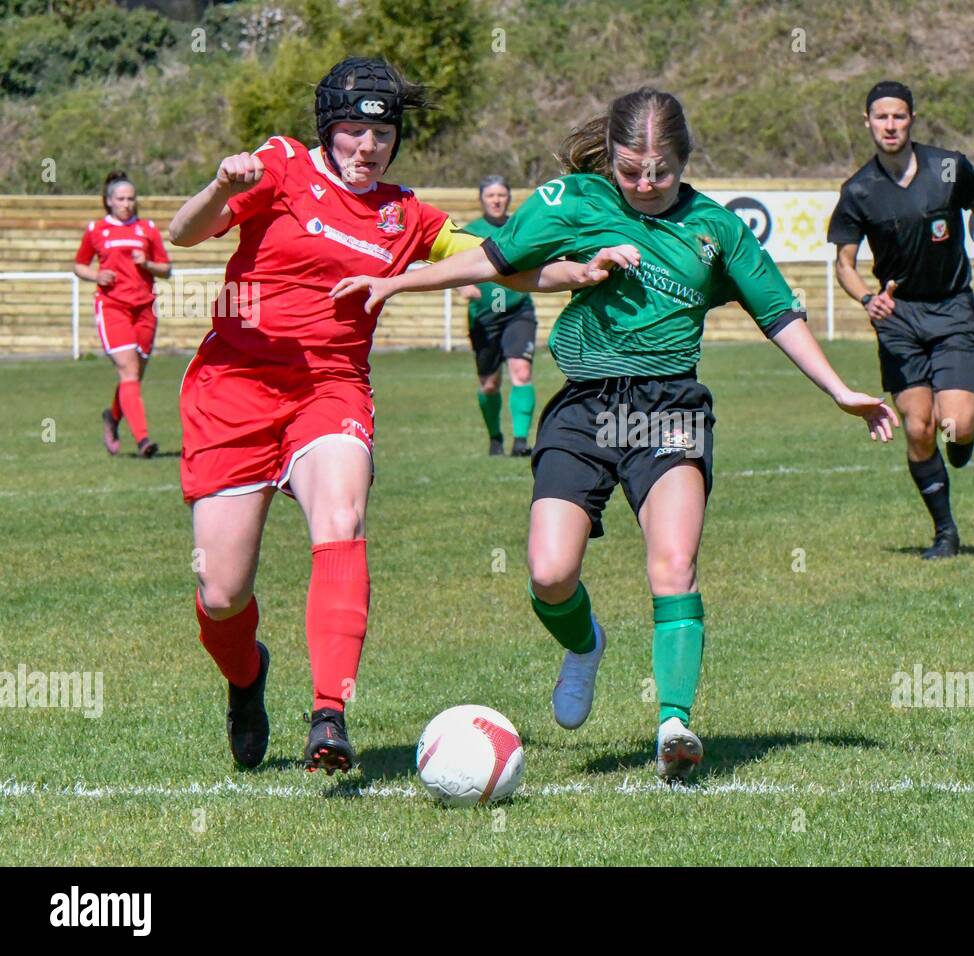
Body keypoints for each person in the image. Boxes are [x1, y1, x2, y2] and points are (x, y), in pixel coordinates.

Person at [332, 87, 899, 781]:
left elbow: (778, 313)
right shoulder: (573, 199)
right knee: (548, 572)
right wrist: (395, 283)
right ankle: (585, 644)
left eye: (660, 170)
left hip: (670, 409)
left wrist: (840, 390)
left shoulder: (716, 228)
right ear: (614, 158)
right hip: (585, 408)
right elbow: (494, 259)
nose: (646, 184)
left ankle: (673, 724)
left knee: (673, 565)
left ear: (684, 161)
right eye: (632, 170)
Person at [168, 56, 617, 774]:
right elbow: (185, 233)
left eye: (381, 134)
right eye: (352, 131)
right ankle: (246, 678)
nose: (367, 147)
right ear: (327, 129)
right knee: (222, 595)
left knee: (341, 521)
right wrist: (221, 184)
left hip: (331, 389)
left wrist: (574, 270)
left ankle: (328, 715)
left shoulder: (405, 214)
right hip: (234, 390)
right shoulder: (280, 164)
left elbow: (500, 260)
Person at [830, 81, 974, 559]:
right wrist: (868, 299)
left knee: (958, 424)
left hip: (952, 308)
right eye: (881, 117)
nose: (890, 125)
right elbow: (844, 264)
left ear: (912, 119)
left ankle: (966, 433)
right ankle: (945, 532)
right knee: (917, 426)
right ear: (867, 122)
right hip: (899, 318)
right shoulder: (859, 190)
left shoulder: (949, 166)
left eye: (899, 116)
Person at [73, 170, 171, 457]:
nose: (127, 203)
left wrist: (148, 264)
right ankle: (143, 440)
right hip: (112, 307)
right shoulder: (96, 230)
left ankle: (112, 417)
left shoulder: (147, 229)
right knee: (128, 370)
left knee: (134, 375)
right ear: (109, 201)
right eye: (121, 199)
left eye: (131, 198)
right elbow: (79, 265)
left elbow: (166, 269)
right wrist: (95, 275)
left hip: (145, 309)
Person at [457, 176, 538, 456]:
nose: (496, 200)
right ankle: (495, 438)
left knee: (521, 371)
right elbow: (454, 266)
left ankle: (520, 442)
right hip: (484, 317)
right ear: (482, 199)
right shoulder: (470, 233)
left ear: (508, 198)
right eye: (490, 195)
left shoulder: (520, 228)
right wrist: (463, 284)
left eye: (501, 194)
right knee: (490, 384)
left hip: (518, 311)